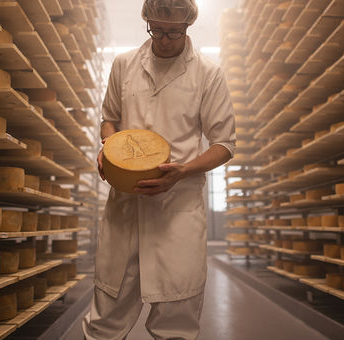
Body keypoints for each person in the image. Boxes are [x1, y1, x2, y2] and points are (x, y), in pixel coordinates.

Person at [83, 0, 236, 339]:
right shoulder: (123, 64)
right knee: (104, 319)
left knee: (175, 323)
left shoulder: (207, 73)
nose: (164, 39)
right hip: (126, 205)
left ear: (187, 27)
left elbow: (224, 144)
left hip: (177, 210)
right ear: (147, 21)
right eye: (156, 30)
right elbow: (109, 119)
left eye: (174, 32)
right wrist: (109, 146)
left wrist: (182, 171)